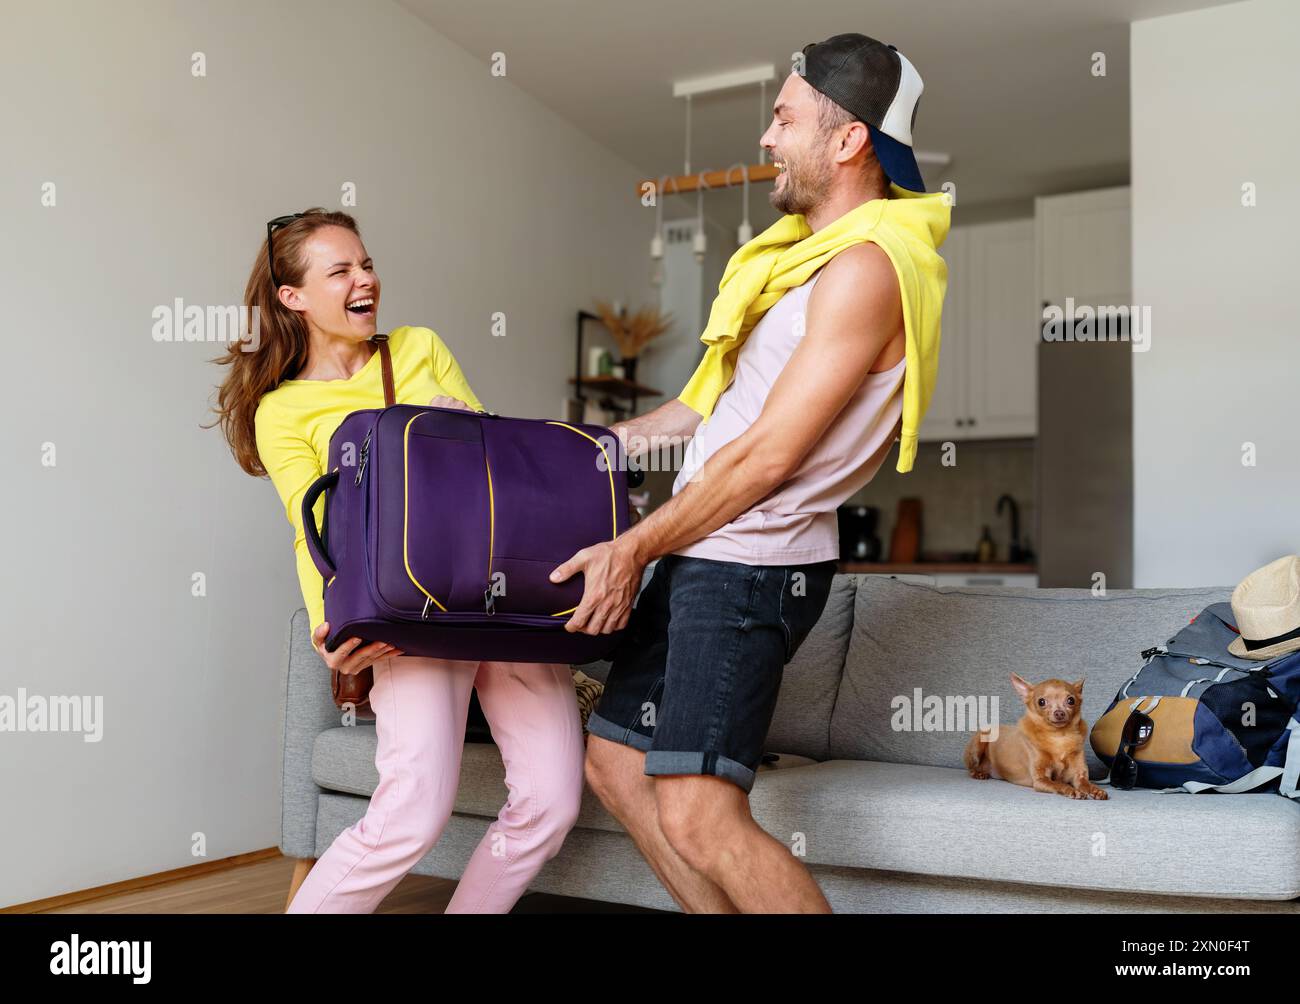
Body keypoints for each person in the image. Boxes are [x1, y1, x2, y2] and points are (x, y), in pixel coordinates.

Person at [550, 34, 951, 913]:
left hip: (750, 567)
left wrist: (633, 547)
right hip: (704, 550)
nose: (767, 140)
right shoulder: (789, 270)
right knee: (615, 766)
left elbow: (770, 456)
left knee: (699, 812)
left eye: (784, 118)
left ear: (848, 141)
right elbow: (699, 415)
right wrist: (573, 447)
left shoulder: (866, 270)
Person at [212, 209, 583, 913]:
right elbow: (311, 527)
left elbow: (495, 474)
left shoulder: (419, 346)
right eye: (341, 271)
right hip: (406, 616)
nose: (366, 280)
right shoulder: (283, 410)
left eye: (367, 263)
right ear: (293, 297)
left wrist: (466, 427)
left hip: (501, 602)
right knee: (411, 811)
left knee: (553, 800)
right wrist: (335, 629)